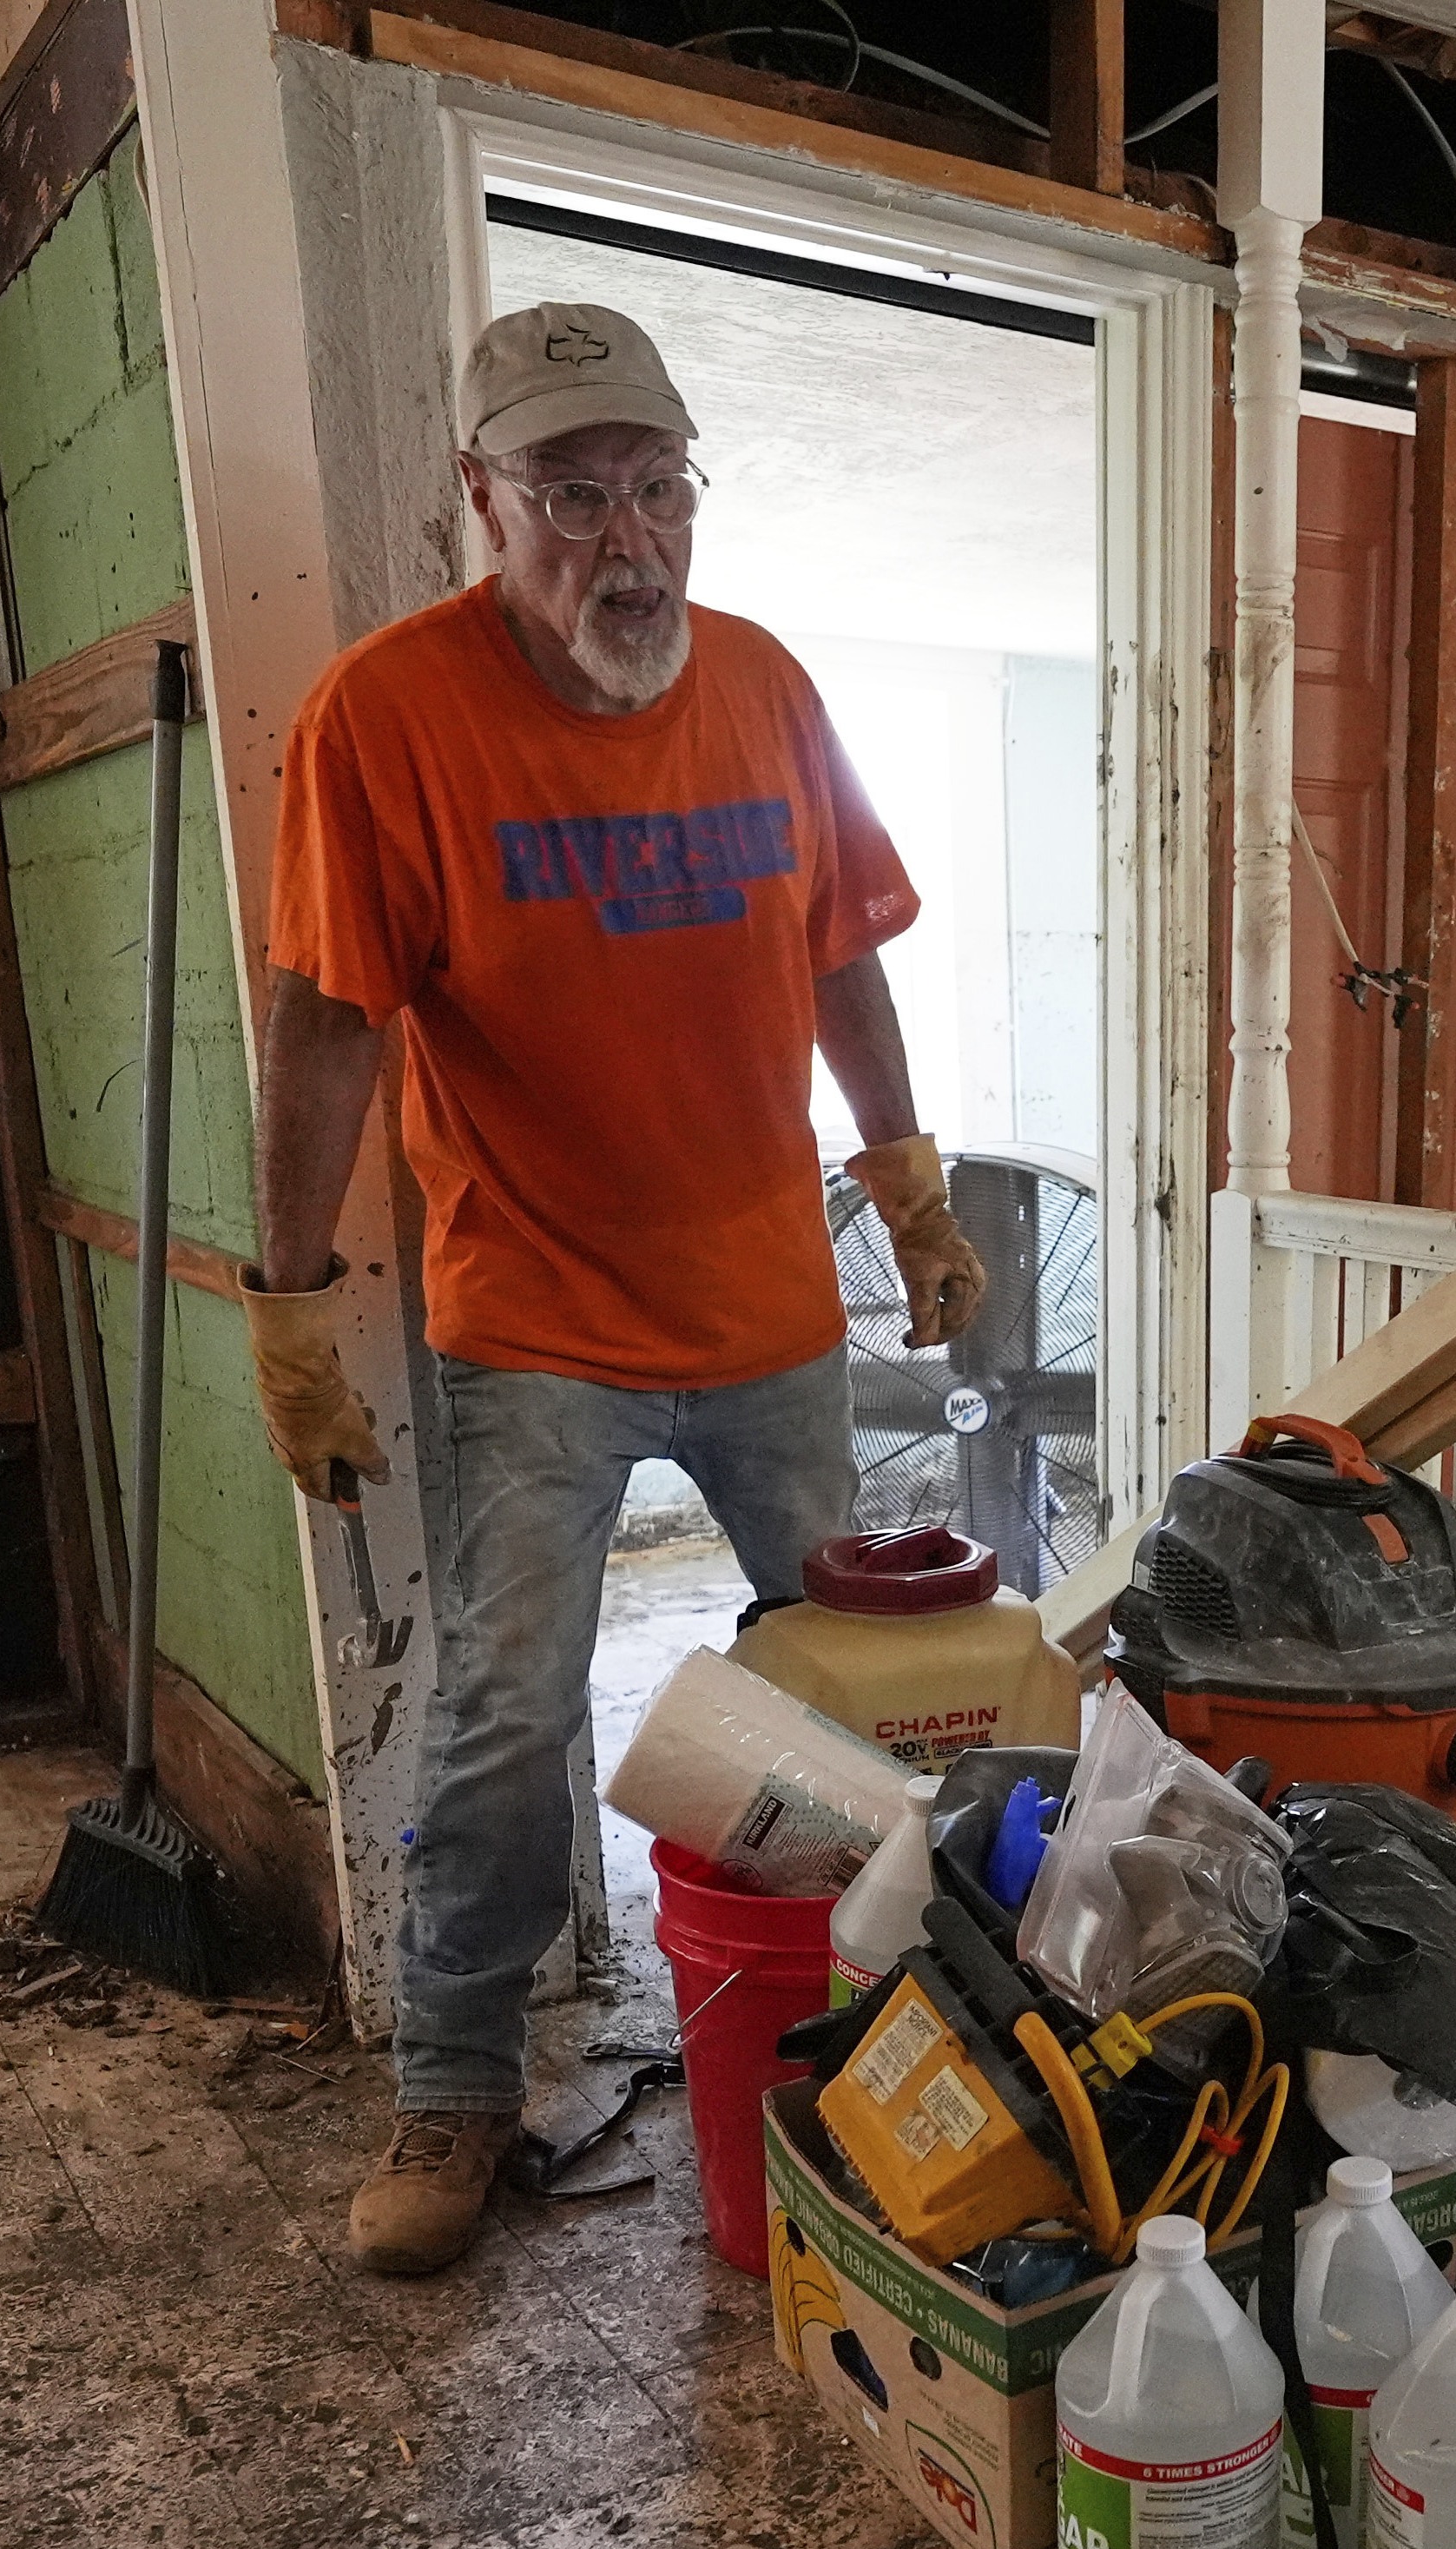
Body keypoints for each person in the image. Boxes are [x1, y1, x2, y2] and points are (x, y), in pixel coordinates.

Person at [241, 300, 983, 2277]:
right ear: (480, 502)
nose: (626, 539)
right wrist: (290, 1307)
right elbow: (327, 1026)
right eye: (573, 495)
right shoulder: (385, 719)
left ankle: (886, 2028)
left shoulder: (762, 686)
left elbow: (844, 955)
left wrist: (906, 1185)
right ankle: (460, 2086)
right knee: (499, 1721)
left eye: (658, 488)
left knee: (860, 1701)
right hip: (534, 1322)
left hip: (767, 1316)